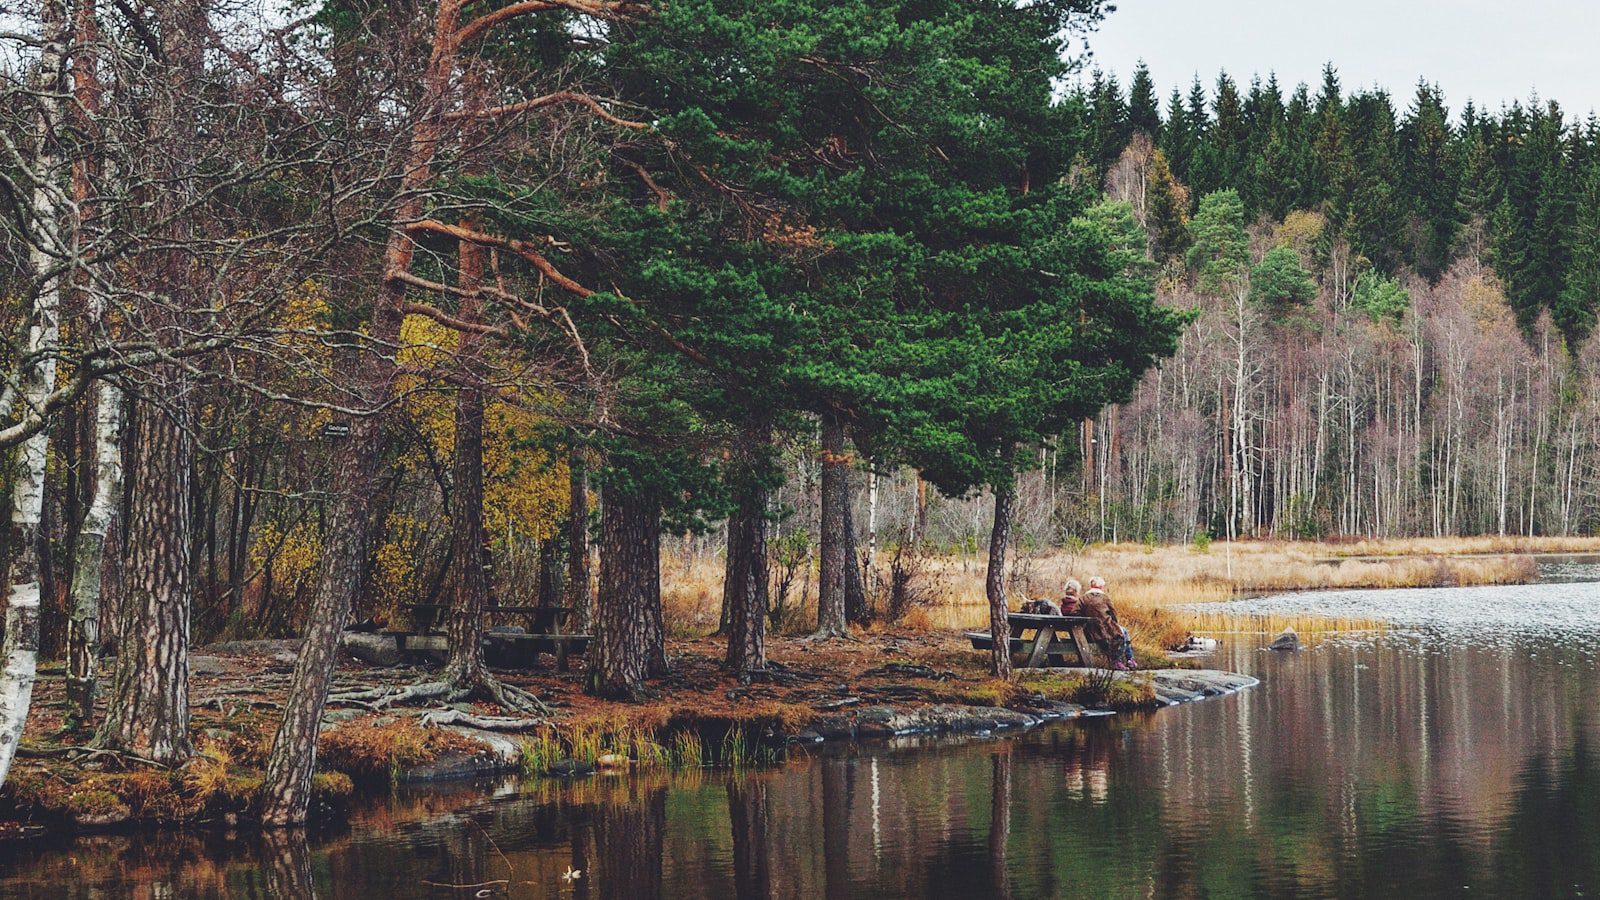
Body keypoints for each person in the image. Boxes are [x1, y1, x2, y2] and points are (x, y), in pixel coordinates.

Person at [1081, 576, 1133, 670]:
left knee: (1122, 632)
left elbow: (1074, 612)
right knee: (1122, 632)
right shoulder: (1105, 598)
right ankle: (1122, 660)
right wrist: (1114, 624)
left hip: (1089, 631)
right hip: (1105, 630)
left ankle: (1126, 660)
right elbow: (1113, 613)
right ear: (1101, 587)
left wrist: (1085, 620)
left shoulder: (1083, 598)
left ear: (1090, 586)